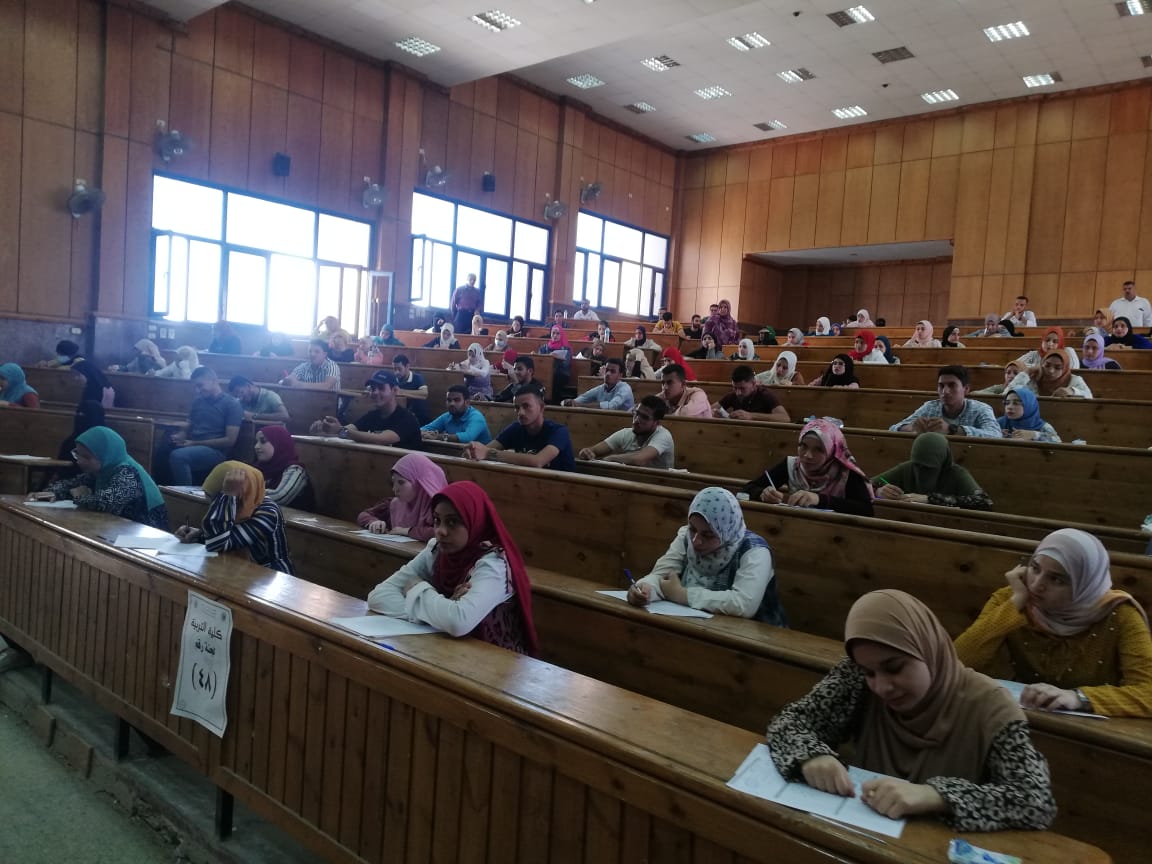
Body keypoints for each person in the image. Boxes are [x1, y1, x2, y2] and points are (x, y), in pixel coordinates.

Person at [766, 590, 1055, 832]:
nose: (882, 687)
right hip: (862, 836)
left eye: (895, 668)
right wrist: (812, 756)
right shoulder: (857, 677)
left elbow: (1035, 800)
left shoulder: (991, 706)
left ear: (927, 649)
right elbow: (790, 722)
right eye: (870, 672)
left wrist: (935, 795)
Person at [955, 529, 1152, 718]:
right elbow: (956, 662)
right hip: (1023, 718)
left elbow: (1148, 693)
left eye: (1057, 579)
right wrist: (1015, 604)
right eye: (1035, 568)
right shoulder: (1013, 598)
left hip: (1086, 734)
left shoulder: (1119, 614)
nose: (1036, 585)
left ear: (1084, 585)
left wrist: (1079, 698)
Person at [367, 481, 538, 655]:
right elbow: (378, 596)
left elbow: (457, 622)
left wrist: (417, 588)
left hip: (495, 660)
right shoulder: (436, 550)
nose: (441, 531)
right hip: (449, 650)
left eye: (452, 522)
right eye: (437, 520)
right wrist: (442, 610)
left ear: (474, 521)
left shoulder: (494, 563)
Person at [627, 487, 785, 625]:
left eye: (708, 535)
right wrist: (645, 588)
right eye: (692, 529)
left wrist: (683, 595)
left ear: (726, 531)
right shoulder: (686, 537)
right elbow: (662, 576)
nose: (696, 541)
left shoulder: (755, 551)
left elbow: (743, 605)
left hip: (756, 638)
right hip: (694, 627)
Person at [30, 426, 168, 529]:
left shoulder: (126, 471)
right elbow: (71, 484)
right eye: (78, 454)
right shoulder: (104, 469)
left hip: (146, 535)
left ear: (105, 456)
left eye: (87, 457)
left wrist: (77, 496)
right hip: (120, 530)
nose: (80, 461)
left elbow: (106, 503)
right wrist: (54, 492)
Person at [176, 461, 293, 574]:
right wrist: (199, 535)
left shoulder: (269, 512)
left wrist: (228, 494)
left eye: (217, 500)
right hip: (242, 571)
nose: (215, 506)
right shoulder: (241, 504)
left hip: (272, 577)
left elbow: (217, 544)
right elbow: (226, 537)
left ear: (239, 493)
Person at [741, 419, 873, 516]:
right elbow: (748, 489)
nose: (807, 455)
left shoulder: (846, 473)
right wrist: (762, 494)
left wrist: (819, 499)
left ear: (832, 451)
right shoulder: (792, 465)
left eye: (818, 449)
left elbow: (866, 510)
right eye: (803, 446)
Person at [161, 367, 243, 485]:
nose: (197, 390)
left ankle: (184, 494)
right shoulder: (198, 401)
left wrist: (194, 443)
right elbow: (189, 424)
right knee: (162, 448)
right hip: (194, 444)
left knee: (178, 456)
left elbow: (230, 440)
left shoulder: (232, 404)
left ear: (213, 380)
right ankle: (162, 491)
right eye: (195, 387)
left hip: (216, 451)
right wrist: (181, 435)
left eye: (200, 385)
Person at [462, 386, 575, 471]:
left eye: (526, 406)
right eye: (516, 407)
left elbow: (538, 461)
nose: (520, 412)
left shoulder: (559, 431)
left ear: (541, 407)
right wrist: (474, 451)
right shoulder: (516, 427)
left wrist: (488, 453)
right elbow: (486, 448)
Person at [873, 432, 993, 510]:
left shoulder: (956, 474)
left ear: (941, 464)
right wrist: (879, 492)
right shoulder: (908, 468)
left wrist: (930, 499)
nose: (920, 472)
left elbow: (984, 502)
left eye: (928, 468)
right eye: (917, 465)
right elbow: (867, 485)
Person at [310, 369, 422, 449]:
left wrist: (340, 430)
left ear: (395, 390)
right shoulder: (372, 416)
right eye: (372, 388)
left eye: (381, 388)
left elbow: (380, 439)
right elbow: (346, 431)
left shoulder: (407, 418)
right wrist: (322, 431)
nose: (375, 392)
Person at [889, 366, 1001, 438]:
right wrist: (911, 428)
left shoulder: (981, 409)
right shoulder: (930, 407)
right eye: (941, 386)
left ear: (966, 389)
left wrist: (951, 429)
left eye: (952, 385)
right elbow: (893, 429)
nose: (945, 391)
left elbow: (996, 435)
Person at [357, 452, 447, 540]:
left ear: (419, 484)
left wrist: (407, 531)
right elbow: (363, 515)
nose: (394, 489)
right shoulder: (394, 504)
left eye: (401, 482)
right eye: (393, 482)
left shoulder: (438, 509)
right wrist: (373, 522)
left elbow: (440, 532)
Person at [576, 395, 675, 469]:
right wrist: (586, 452)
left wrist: (611, 458)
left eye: (645, 417)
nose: (637, 420)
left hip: (661, 486)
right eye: (636, 413)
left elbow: (640, 459)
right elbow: (594, 450)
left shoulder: (663, 435)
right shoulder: (626, 433)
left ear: (656, 423)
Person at [253, 424, 314, 510]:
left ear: (279, 443)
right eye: (256, 442)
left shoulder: (295, 470)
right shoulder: (260, 467)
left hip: (295, 517)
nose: (256, 446)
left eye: (263, 441)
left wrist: (246, 491)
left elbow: (280, 497)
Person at [713, 366, 790, 421]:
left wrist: (752, 415)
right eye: (735, 388)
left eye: (742, 388)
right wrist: (715, 413)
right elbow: (710, 408)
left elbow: (785, 418)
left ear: (753, 384)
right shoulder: (733, 394)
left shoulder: (765, 394)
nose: (738, 393)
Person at [421, 384, 492, 444]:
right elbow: (423, 429)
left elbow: (468, 437)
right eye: (449, 400)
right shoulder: (447, 416)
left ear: (467, 402)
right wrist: (424, 433)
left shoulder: (476, 417)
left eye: (457, 400)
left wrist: (437, 437)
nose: (452, 403)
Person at [1007, 350, 1093, 399]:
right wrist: (1027, 372)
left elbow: (1089, 398)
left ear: (1065, 368)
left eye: (1058, 367)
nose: (1051, 370)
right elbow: (1007, 394)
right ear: (1042, 364)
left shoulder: (1074, 380)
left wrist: (1072, 391)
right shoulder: (1032, 378)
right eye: (1047, 365)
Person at [562, 358, 635, 410]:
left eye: (612, 371)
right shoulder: (601, 388)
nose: (608, 374)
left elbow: (612, 406)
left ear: (620, 375)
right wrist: (570, 402)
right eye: (607, 370)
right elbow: (582, 398)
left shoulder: (625, 388)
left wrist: (580, 405)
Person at [392, 354, 430, 424]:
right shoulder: (393, 379)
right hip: (400, 417)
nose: (396, 372)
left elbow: (424, 394)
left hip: (419, 417)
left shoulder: (417, 378)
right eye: (394, 369)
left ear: (407, 366)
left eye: (399, 369)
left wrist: (401, 392)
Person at [539, 324, 573, 401]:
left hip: (561, 373)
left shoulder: (566, 348)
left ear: (561, 335)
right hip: (546, 372)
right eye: (553, 333)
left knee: (556, 378)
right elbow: (540, 362)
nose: (555, 335)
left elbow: (567, 364)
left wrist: (557, 357)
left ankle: (554, 403)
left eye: (558, 333)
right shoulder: (544, 347)